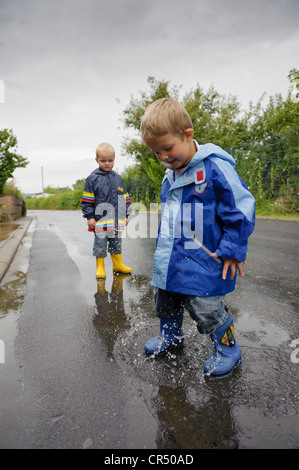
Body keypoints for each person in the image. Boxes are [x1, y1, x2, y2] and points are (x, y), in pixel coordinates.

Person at [140, 98, 255, 378]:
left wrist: (232, 248)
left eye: (168, 148)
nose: (164, 157)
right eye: (157, 153)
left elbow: (240, 208)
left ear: (187, 134)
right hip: (172, 256)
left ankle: (228, 349)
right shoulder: (171, 175)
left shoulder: (215, 167)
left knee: (206, 307)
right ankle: (171, 336)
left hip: (205, 257)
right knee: (165, 298)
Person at [81, 142, 133, 279]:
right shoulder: (92, 179)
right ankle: (100, 266)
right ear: (96, 160)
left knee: (116, 242)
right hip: (100, 222)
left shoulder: (118, 179)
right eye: (103, 161)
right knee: (100, 244)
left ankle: (118, 264)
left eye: (110, 160)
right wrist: (90, 217)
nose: (107, 163)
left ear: (114, 159)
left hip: (116, 221)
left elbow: (124, 198)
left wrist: (125, 215)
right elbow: (87, 200)